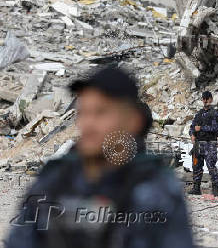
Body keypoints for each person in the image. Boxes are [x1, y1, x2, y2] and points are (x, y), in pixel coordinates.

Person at [6, 66, 194, 248]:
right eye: (83, 113)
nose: (88, 124)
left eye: (101, 113)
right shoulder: (54, 179)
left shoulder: (156, 189)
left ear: (134, 121)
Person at [188, 91, 218, 196]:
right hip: (198, 143)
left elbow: (217, 129)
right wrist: (192, 134)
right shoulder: (199, 113)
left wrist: (202, 128)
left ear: (211, 99)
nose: (205, 100)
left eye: (207, 98)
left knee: (211, 165)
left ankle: (215, 189)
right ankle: (196, 188)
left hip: (210, 143)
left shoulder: (215, 113)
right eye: (204, 98)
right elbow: (192, 127)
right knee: (196, 166)